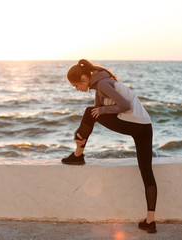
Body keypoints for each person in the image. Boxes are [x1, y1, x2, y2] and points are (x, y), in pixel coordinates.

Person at [62, 59, 158, 233]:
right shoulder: (100, 83)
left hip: (133, 124)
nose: (76, 89)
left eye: (75, 85)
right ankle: (150, 222)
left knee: (88, 112)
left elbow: (124, 105)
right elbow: (94, 111)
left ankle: (78, 156)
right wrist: (80, 132)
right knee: (146, 171)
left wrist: (102, 112)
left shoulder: (103, 84)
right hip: (145, 126)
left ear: (84, 78)